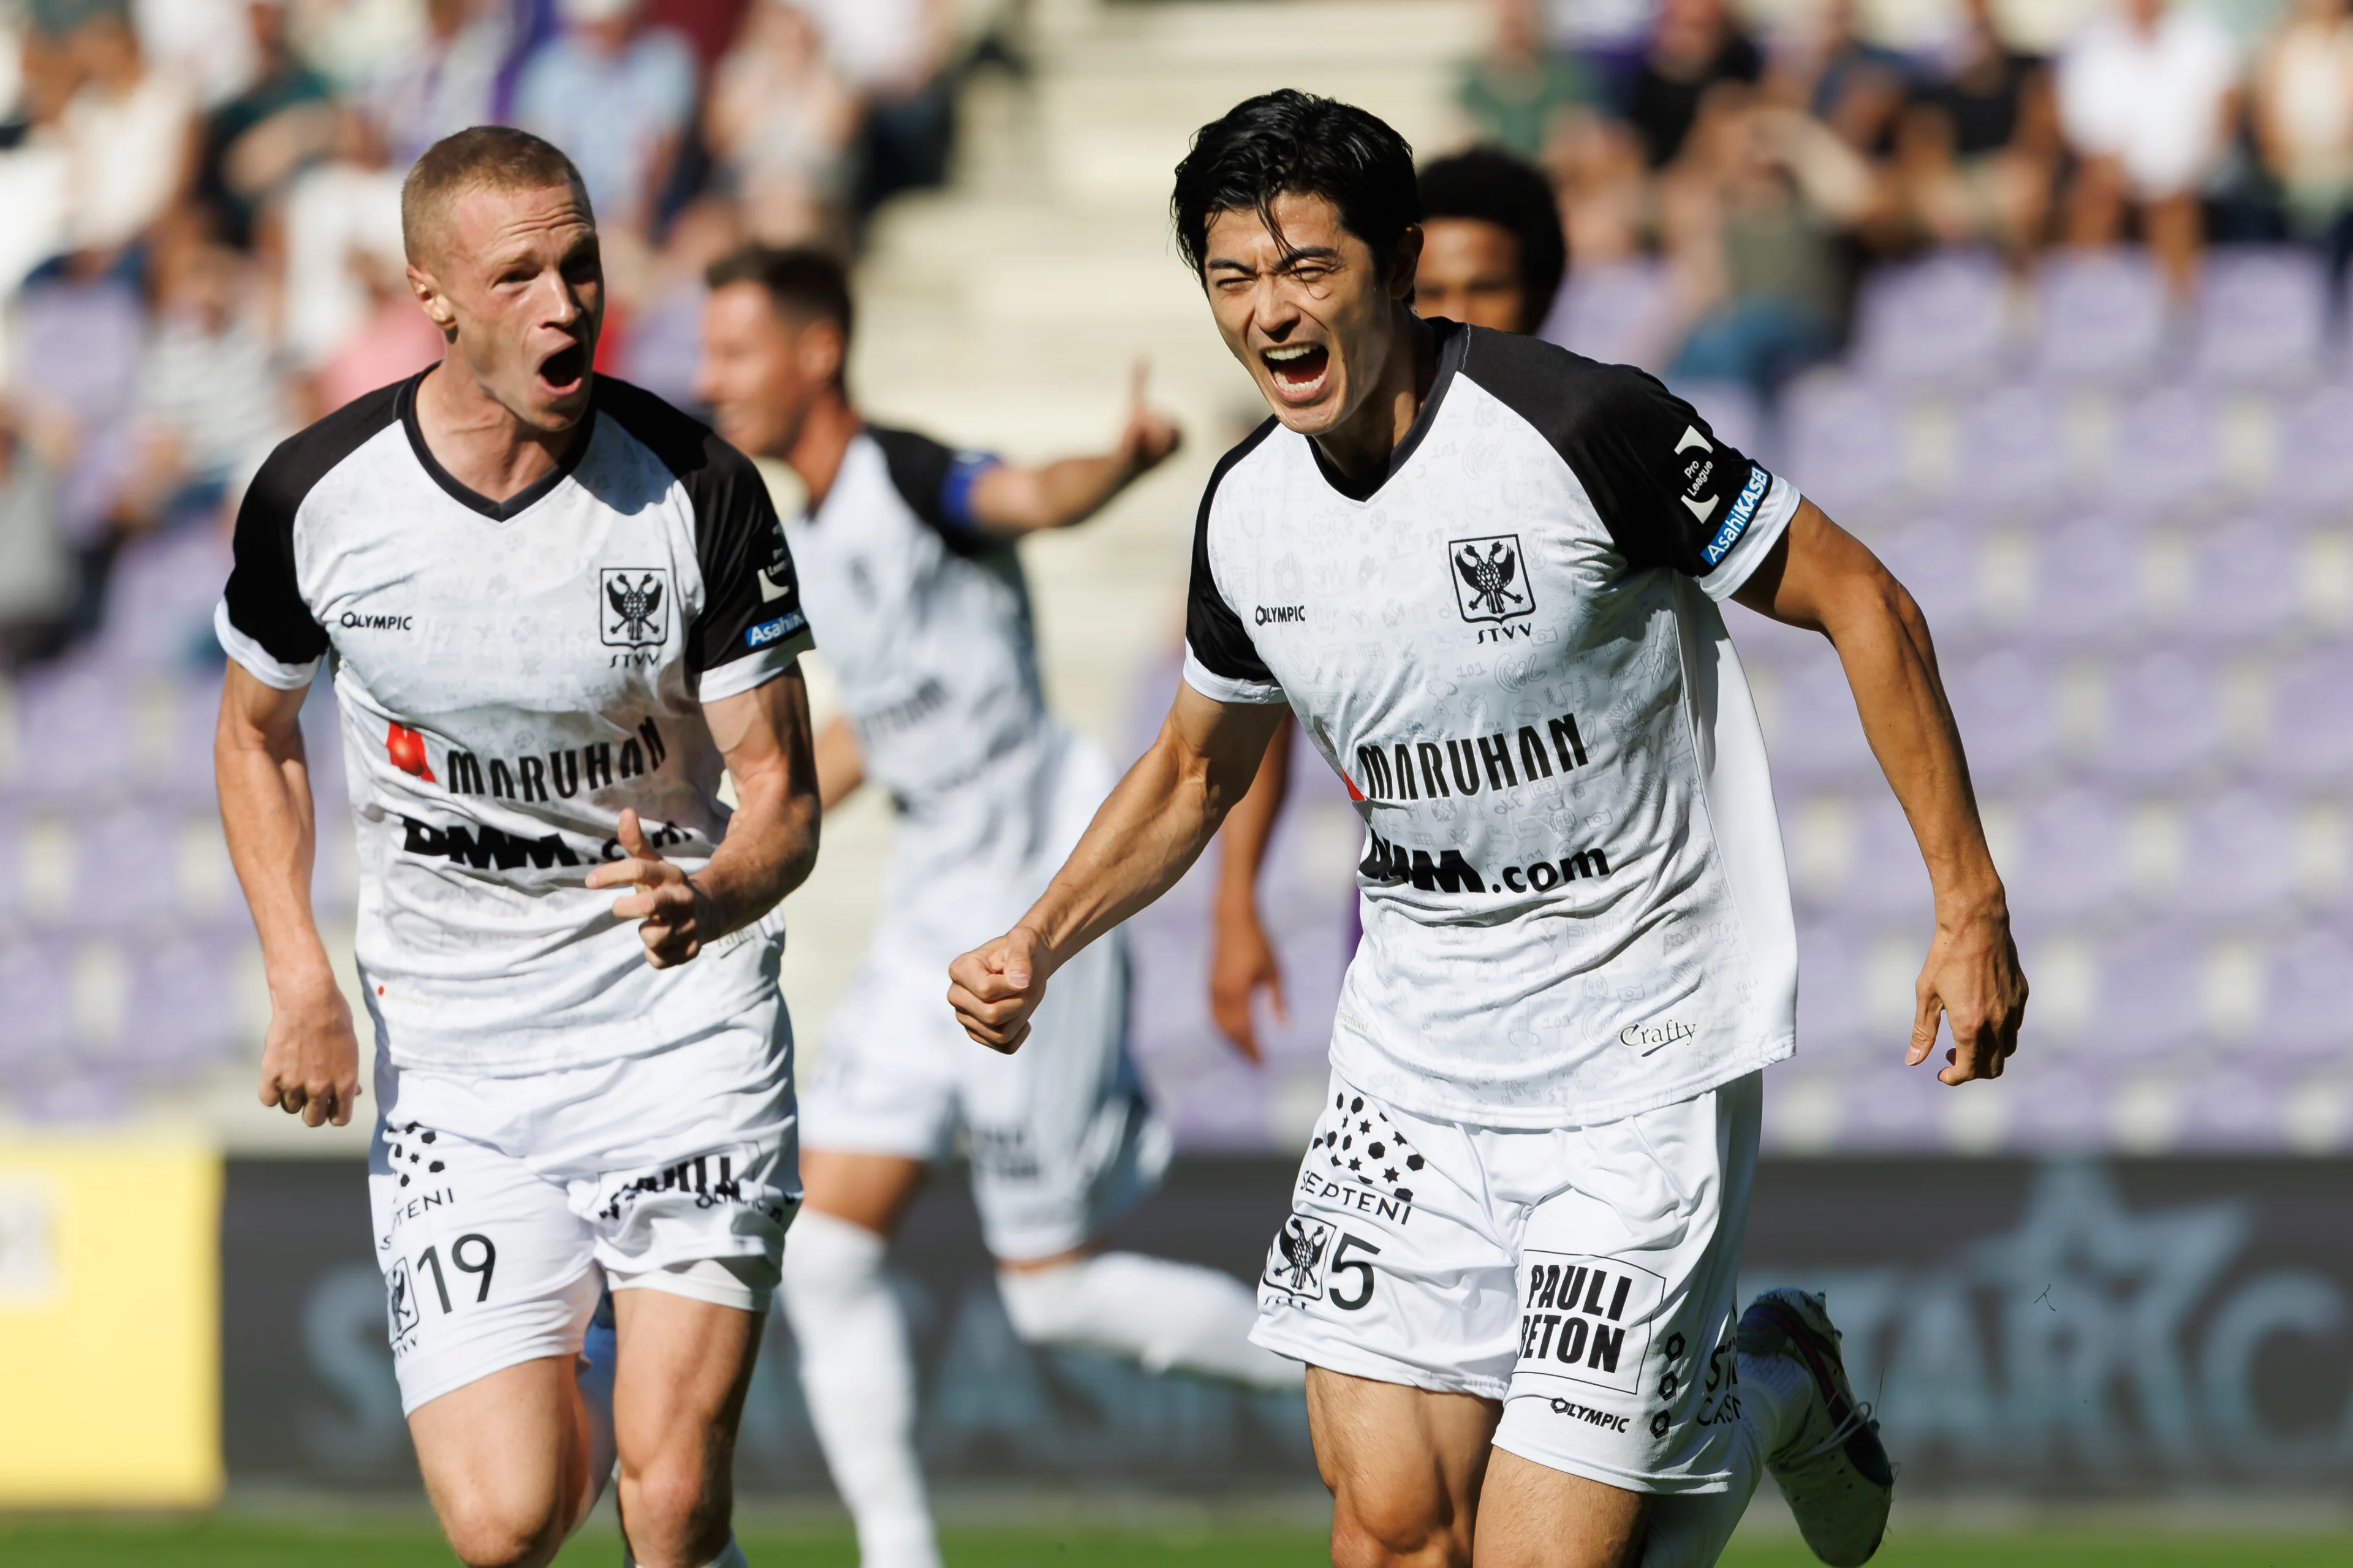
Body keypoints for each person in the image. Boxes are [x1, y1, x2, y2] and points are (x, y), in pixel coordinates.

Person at [949, 91, 2027, 1568]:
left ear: (1395, 264)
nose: (1270, 316)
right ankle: (1740, 1392)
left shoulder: (1580, 426)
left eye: (1307, 269)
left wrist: (1965, 906)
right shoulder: (1245, 510)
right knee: (1388, 1524)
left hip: (1636, 1055)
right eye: (1232, 280)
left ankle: (1770, 1385)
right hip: (1413, 1060)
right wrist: (1037, 937)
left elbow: (1862, 599)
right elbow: (1196, 767)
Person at [213, 126, 821, 1568]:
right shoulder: (318, 495)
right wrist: (300, 976)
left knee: (669, 1505)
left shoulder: (695, 489)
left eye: (584, 265)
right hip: (459, 1057)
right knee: (502, 1522)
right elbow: (252, 733)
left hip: (677, 1030)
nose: (566, 304)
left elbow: (781, 796)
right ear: (432, 297)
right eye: (521, 275)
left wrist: (715, 887)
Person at [694, 245, 1303, 1568]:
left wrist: (1122, 463)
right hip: (928, 915)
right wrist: (739, 835)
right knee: (833, 1248)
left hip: (1039, 907)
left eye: (735, 351)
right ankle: (901, 1554)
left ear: (815, 351)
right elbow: (870, 732)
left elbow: (1029, 495)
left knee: (1055, 1299)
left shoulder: (910, 474)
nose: (710, 377)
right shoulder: (806, 528)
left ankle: (1361, 1384)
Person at [1209, 142, 1566, 1056]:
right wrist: (1236, 900)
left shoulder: (1588, 454)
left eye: (1486, 286)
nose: (1455, 311)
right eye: (1432, 286)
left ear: (1545, 295)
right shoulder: (1315, 484)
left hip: (1588, 928)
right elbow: (1259, 708)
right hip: (1409, 923)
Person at [2055, 0, 2240, 298]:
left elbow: (2223, 115)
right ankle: (2091, 303)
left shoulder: (2200, 35)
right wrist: (2108, 166)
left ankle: (2178, 311)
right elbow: (2082, 125)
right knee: (2094, 199)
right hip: (2114, 167)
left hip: (2189, 168)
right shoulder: (2093, 40)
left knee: (2174, 206)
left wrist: (2190, 168)